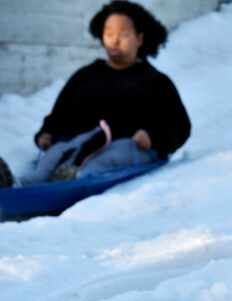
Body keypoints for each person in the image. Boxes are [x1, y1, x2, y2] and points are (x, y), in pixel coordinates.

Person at [0, 0, 190, 188]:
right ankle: (19, 185)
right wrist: (47, 133)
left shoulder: (155, 82)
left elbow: (180, 125)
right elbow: (60, 115)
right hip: (82, 144)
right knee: (55, 154)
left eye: (123, 34)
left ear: (139, 38)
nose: (114, 40)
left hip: (129, 146)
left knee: (104, 159)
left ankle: (73, 180)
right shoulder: (86, 76)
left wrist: (154, 137)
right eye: (109, 33)